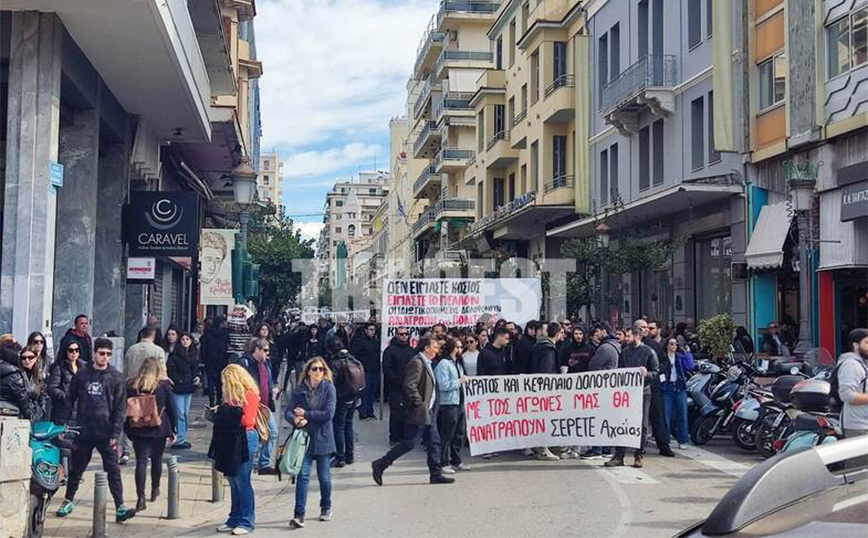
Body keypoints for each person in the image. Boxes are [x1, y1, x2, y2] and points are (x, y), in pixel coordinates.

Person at [56, 339, 136, 522]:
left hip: (106, 433)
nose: (105, 357)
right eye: (101, 353)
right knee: (77, 469)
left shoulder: (116, 377)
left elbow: (120, 408)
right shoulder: (82, 375)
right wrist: (64, 425)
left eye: (108, 354)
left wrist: (115, 433)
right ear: (94, 353)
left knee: (113, 470)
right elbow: (69, 400)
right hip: (83, 430)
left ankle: (120, 506)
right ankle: (68, 500)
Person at [371, 337, 454, 486]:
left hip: (430, 411)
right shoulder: (417, 363)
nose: (437, 350)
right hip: (420, 411)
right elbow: (410, 386)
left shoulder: (428, 363)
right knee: (410, 442)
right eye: (434, 347)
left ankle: (435, 474)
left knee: (434, 442)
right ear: (426, 348)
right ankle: (381, 464)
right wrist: (419, 403)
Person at [209, 364, 260, 535]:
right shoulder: (228, 397)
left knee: (242, 481)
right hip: (230, 439)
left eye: (226, 382)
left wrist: (228, 411)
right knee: (232, 480)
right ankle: (234, 517)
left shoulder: (250, 395)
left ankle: (247, 520)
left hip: (245, 438)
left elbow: (247, 419)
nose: (224, 385)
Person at [287, 357, 337, 529]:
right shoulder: (300, 390)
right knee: (303, 476)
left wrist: (306, 415)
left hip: (323, 437)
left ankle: (326, 507)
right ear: (308, 371)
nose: (317, 372)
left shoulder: (329, 388)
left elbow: (328, 413)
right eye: (314, 369)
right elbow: (288, 411)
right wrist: (296, 420)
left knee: (324, 476)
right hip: (305, 438)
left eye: (321, 369)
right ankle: (299, 514)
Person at [125, 356, 178, 512]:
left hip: (138, 428)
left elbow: (123, 408)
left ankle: (140, 497)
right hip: (158, 428)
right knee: (157, 459)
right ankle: (155, 488)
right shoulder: (164, 386)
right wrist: (174, 429)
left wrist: (126, 429)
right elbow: (172, 409)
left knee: (140, 462)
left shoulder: (132, 385)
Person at [606, 327, 658, 469]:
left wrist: (647, 373)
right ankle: (619, 455)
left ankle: (639, 455)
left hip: (643, 392)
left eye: (629, 336)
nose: (626, 339)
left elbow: (656, 372)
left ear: (637, 336)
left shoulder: (649, 352)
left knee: (642, 425)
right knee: (622, 422)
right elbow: (620, 370)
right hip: (627, 393)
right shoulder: (625, 352)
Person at [237, 339, 279, 474]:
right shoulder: (245, 363)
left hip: (265, 406)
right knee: (255, 434)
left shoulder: (266, 363)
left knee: (272, 433)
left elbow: (268, 381)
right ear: (257, 349)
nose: (268, 353)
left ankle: (264, 463)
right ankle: (252, 462)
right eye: (265, 350)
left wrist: (273, 390)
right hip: (251, 405)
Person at [582, 322, 621, 460]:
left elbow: (593, 366)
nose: (595, 335)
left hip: (601, 388)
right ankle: (606, 448)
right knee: (606, 418)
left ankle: (596, 448)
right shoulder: (614, 346)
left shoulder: (605, 348)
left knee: (598, 418)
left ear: (603, 331)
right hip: (608, 388)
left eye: (597, 332)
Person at [639, 319, 675, 458]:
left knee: (658, 416)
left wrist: (656, 374)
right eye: (643, 327)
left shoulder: (654, 346)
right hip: (634, 388)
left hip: (652, 386)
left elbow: (664, 362)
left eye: (648, 327)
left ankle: (663, 445)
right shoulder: (628, 347)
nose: (646, 330)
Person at [531, 323, 565, 461]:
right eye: (561, 333)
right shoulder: (548, 349)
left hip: (535, 388)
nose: (563, 335)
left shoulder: (538, 346)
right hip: (544, 390)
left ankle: (540, 447)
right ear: (557, 334)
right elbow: (546, 371)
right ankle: (543, 450)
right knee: (544, 419)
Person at [435, 337, 470, 474]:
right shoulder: (444, 364)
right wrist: (459, 381)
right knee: (447, 434)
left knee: (459, 434)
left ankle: (456, 460)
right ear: (451, 348)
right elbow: (442, 385)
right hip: (448, 403)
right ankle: (443, 462)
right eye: (457, 347)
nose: (460, 350)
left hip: (459, 401)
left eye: (461, 347)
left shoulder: (458, 363)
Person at [327, 339, 359, 467]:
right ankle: (349, 456)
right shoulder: (351, 358)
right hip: (353, 396)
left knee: (338, 427)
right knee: (348, 426)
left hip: (341, 398)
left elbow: (331, 383)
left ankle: (340, 457)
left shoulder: (335, 363)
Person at [381, 327, 415, 445]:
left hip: (410, 388)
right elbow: (387, 369)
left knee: (408, 413)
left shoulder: (411, 350)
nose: (404, 336)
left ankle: (406, 437)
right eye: (401, 334)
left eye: (406, 334)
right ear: (396, 335)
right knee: (396, 414)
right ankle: (394, 437)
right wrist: (398, 381)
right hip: (396, 388)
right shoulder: (390, 351)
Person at [660, 337, 695, 449]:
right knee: (666, 415)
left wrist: (688, 353)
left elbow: (690, 366)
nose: (674, 346)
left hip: (679, 387)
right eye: (671, 344)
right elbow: (659, 370)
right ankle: (665, 439)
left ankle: (683, 440)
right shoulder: (663, 357)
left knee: (682, 414)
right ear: (667, 345)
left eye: (675, 344)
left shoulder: (680, 357)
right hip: (667, 388)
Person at [167, 332, 200, 450]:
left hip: (189, 388)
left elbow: (195, 369)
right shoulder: (174, 356)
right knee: (180, 413)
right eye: (183, 339)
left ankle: (183, 437)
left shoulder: (193, 355)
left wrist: (197, 376)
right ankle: (179, 439)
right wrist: (179, 380)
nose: (185, 341)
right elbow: (171, 370)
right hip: (178, 388)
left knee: (185, 413)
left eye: (187, 339)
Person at [0, 344, 48, 421]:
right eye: (23, 358)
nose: (27, 360)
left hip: (21, 414)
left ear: (36, 358)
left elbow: (42, 395)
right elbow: (23, 402)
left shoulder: (37, 375)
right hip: (14, 416)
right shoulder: (15, 376)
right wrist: (36, 417)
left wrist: (42, 410)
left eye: (30, 357)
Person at [837, 328, 868, 438]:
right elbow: (846, 395)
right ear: (856, 345)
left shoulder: (862, 363)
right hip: (858, 426)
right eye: (867, 342)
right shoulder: (851, 364)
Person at [48, 339, 86, 424]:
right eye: (71, 350)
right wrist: (64, 396)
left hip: (80, 411)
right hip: (63, 411)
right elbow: (52, 388)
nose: (74, 353)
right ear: (66, 351)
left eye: (76, 350)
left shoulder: (85, 367)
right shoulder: (59, 367)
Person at [351, 322, 380, 420]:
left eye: (374, 330)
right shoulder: (360, 341)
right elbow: (353, 354)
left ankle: (370, 411)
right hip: (365, 370)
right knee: (365, 392)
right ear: (366, 330)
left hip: (375, 369)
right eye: (370, 330)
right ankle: (363, 413)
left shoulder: (376, 341)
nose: (372, 332)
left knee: (372, 392)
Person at [200, 316, 230, 406]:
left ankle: (211, 401)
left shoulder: (208, 334)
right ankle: (219, 400)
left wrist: (204, 360)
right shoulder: (226, 334)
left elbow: (203, 348)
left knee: (210, 382)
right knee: (220, 382)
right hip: (222, 361)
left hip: (210, 361)